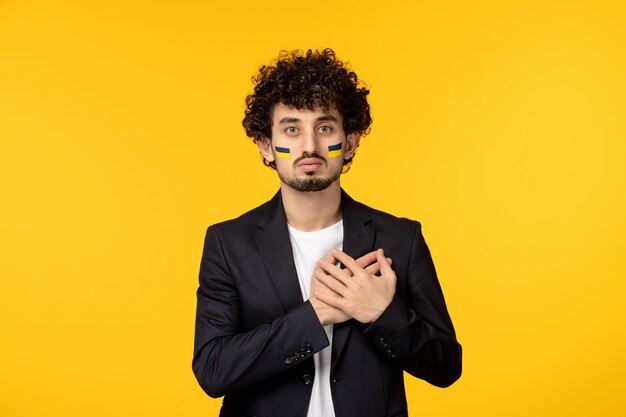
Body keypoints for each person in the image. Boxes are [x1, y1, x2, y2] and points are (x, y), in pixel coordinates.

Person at [192, 48, 462, 417]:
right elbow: (212, 370)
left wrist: (380, 313)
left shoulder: (401, 238)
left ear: (349, 142)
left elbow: (446, 367)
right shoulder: (228, 243)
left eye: (324, 127)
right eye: (291, 129)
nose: (309, 146)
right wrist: (314, 315)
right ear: (266, 146)